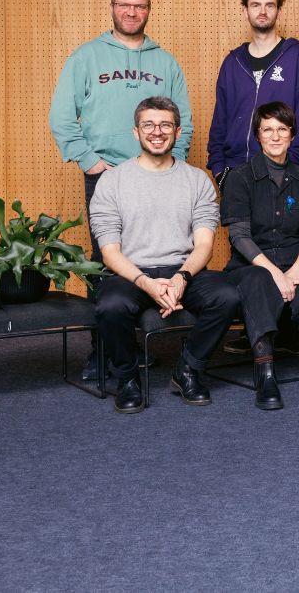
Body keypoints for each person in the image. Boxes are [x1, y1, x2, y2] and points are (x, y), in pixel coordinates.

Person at [48, 0, 193, 381]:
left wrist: (174, 166)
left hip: (159, 176)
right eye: (124, 5)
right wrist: (92, 163)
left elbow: (184, 121)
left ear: (149, 10)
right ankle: (103, 352)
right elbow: (61, 117)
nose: (131, 12)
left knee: (155, 256)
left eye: (139, 6)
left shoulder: (165, 62)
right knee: (105, 263)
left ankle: (138, 346)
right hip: (108, 177)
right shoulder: (86, 57)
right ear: (112, 7)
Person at [88, 97, 238, 413]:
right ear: (136, 131)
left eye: (165, 125)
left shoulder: (197, 180)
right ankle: (127, 379)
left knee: (227, 295)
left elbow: (204, 245)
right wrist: (146, 283)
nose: (157, 132)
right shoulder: (112, 181)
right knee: (110, 305)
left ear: (177, 131)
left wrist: (181, 277)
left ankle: (188, 369)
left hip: (183, 268)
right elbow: (109, 252)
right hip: (131, 272)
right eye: (148, 125)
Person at [220, 102, 299, 410]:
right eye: (267, 129)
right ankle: (265, 371)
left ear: (292, 135)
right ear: (257, 135)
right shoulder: (239, 177)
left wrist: (296, 269)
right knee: (258, 287)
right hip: (252, 264)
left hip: (295, 260)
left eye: (282, 129)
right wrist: (275, 273)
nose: (275, 136)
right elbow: (239, 236)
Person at [207, 0, 299, 186]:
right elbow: (220, 123)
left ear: (279, 11)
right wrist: (220, 171)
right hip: (236, 175)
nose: (262, 11)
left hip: (281, 176)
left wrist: (285, 171)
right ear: (245, 11)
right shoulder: (232, 63)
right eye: (255, 5)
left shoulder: (297, 57)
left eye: (269, 5)